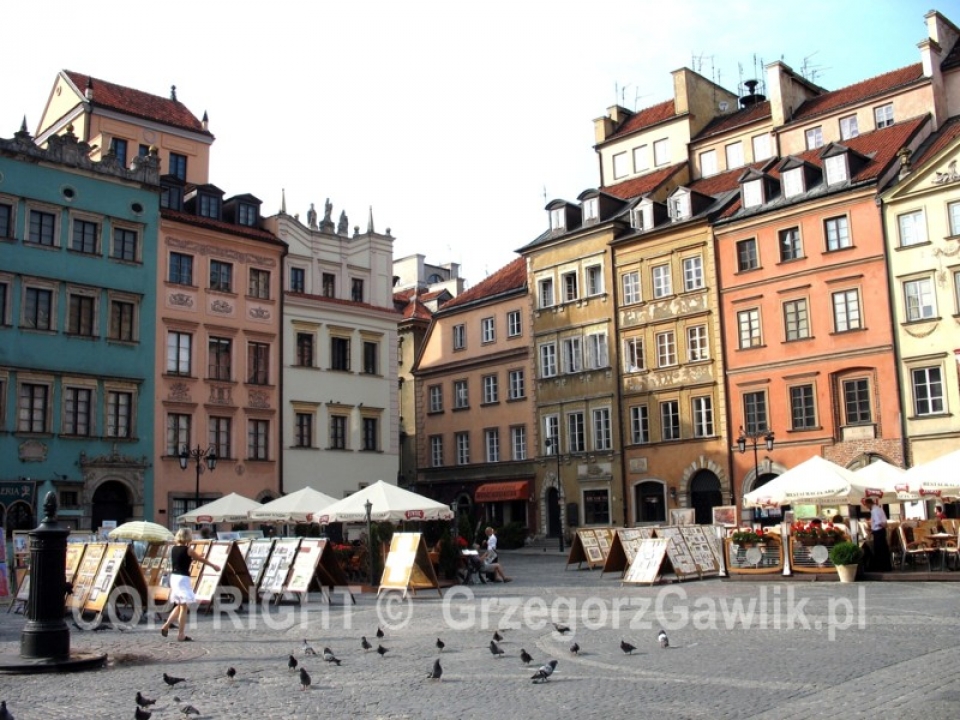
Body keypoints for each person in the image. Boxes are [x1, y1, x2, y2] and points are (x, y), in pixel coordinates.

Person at [160, 528, 220, 641]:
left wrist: (192, 558)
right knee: (183, 607)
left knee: (180, 605)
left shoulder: (174, 548)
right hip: (183, 578)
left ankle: (166, 625)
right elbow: (201, 559)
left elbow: (183, 561)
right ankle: (181, 635)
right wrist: (214, 566)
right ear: (187, 536)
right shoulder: (188, 549)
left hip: (174, 577)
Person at [863, 498, 891, 572]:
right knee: (884, 549)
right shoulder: (879, 509)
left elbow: (879, 522)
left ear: (869, 503)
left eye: (866, 505)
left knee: (879, 550)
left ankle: (881, 567)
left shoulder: (874, 511)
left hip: (878, 532)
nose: (866, 507)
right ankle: (887, 567)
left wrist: (875, 529)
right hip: (881, 531)